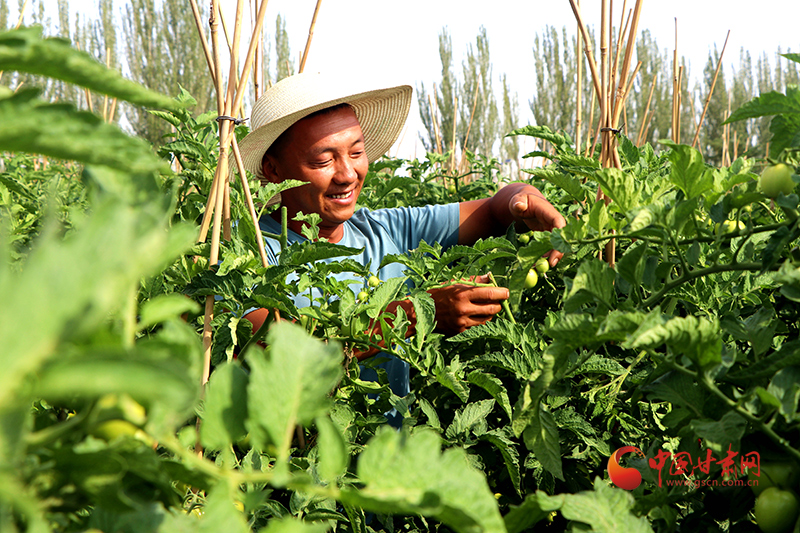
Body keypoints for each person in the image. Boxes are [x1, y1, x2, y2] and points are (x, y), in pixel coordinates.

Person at [236, 72, 565, 422]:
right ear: (273, 169)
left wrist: (524, 201)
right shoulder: (251, 253)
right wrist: (415, 315)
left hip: (389, 467)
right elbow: (276, 355)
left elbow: (495, 207)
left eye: (356, 152)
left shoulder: (383, 230)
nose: (347, 174)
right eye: (324, 160)